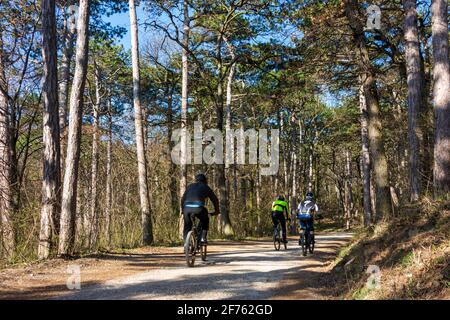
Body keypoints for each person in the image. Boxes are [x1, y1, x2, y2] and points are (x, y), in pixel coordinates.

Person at [181, 173, 220, 244]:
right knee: (205, 218)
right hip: (198, 208)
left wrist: (183, 210)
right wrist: (217, 211)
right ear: (205, 181)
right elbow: (214, 199)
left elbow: (183, 199)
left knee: (187, 226)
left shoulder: (190, 186)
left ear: (196, 180)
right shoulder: (205, 187)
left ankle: (186, 244)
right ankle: (203, 238)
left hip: (186, 208)